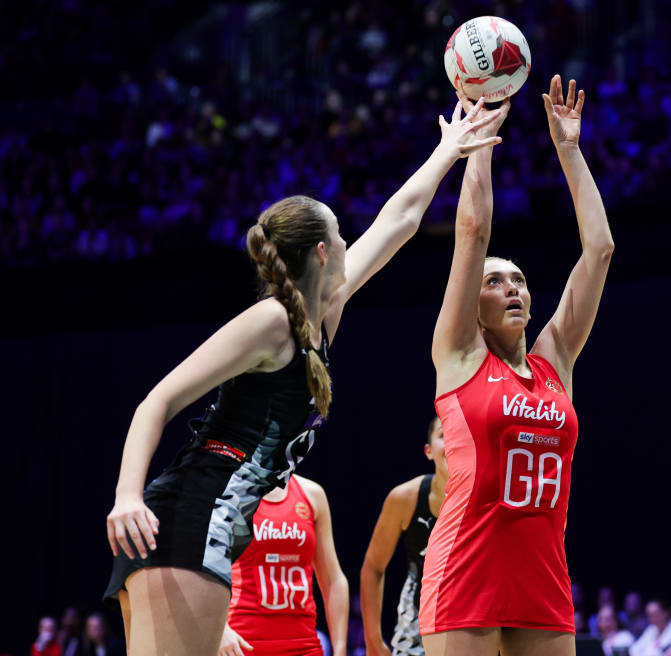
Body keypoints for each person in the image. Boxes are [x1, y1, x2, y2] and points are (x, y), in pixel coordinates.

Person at [103, 99, 503, 655]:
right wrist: (126, 495)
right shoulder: (272, 323)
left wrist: (448, 149)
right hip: (185, 520)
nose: (348, 242)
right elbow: (157, 400)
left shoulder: (320, 316)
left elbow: (400, 221)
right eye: (340, 234)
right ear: (321, 252)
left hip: (209, 530)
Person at [421, 74, 615, 656]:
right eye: (495, 281)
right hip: (466, 570)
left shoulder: (555, 360)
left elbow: (599, 249)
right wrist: (479, 145)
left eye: (520, 280)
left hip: (543, 576)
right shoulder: (457, 354)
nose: (513, 289)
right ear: (472, 305)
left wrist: (569, 150)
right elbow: (473, 231)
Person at [216, 474, 348, 656]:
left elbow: (334, 579)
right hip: (242, 642)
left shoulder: (312, 494)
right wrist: (220, 629)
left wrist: (340, 648)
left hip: (304, 644)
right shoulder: (228, 492)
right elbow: (203, 569)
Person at [361, 417, 448, 656]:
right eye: (443, 435)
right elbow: (373, 566)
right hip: (414, 639)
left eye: (460, 433)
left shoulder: (491, 502)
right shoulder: (405, 498)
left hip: (475, 636)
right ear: (428, 451)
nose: (452, 441)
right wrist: (373, 641)